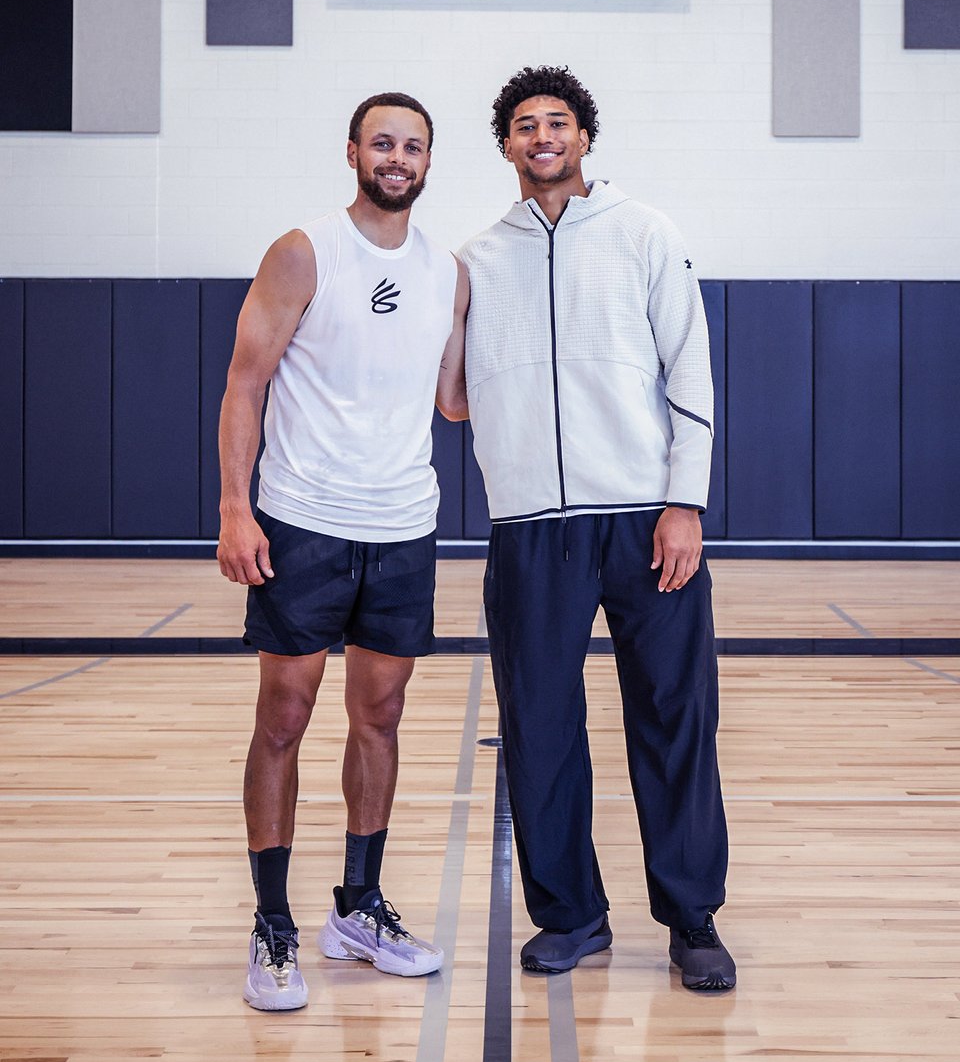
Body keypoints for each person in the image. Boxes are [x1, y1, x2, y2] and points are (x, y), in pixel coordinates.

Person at [455, 66, 735, 990]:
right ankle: (572, 916)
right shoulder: (475, 260)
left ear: (584, 137)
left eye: (559, 121)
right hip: (531, 528)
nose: (543, 136)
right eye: (526, 124)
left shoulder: (645, 233)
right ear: (506, 144)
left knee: (674, 716)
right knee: (539, 725)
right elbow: (453, 398)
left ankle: (691, 919)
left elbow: (689, 371)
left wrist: (684, 503)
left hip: (646, 518)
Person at [217, 91, 469, 1011]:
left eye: (413, 146)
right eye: (383, 143)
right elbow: (245, 385)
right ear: (354, 151)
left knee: (382, 716)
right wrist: (235, 510)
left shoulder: (453, 271)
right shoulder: (303, 251)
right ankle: (273, 922)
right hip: (303, 520)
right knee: (283, 716)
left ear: (430, 162)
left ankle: (358, 908)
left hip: (404, 525)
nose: (397, 158)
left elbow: (454, 399)